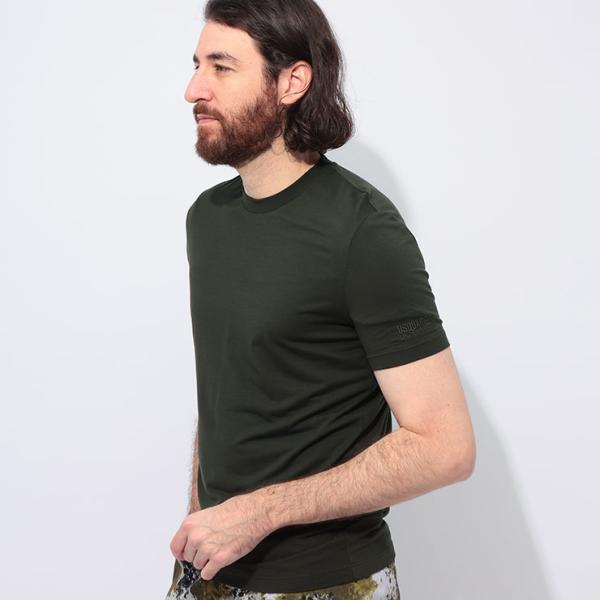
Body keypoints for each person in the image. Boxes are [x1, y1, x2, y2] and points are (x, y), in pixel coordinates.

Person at [165, 1, 476, 598]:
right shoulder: (207, 219)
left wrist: (258, 512)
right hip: (208, 571)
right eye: (197, 65)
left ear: (292, 82)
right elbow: (231, 387)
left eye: (222, 67)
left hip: (327, 583)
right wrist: (201, 515)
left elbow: (445, 446)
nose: (193, 89)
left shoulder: (363, 230)